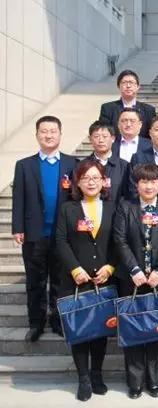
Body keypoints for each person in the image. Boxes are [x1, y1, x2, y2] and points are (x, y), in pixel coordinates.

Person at [12, 115, 79, 342]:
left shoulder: (72, 163)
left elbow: (77, 199)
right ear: (37, 135)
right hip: (34, 233)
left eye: (53, 131)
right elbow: (18, 198)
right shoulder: (24, 165)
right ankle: (36, 323)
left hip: (62, 236)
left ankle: (58, 321)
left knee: (61, 281)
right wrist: (18, 227)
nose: (48, 135)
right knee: (35, 281)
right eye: (44, 131)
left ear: (60, 134)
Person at [113, 164, 158, 399]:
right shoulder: (125, 207)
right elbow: (119, 240)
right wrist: (134, 269)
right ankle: (135, 381)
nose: (149, 186)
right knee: (133, 329)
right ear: (136, 184)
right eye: (144, 181)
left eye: (153, 181)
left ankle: (154, 380)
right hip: (133, 279)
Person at [55, 160, 116, 401]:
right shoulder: (67, 209)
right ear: (77, 183)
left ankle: (97, 374)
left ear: (104, 181)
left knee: (100, 331)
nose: (91, 182)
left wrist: (110, 267)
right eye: (85, 178)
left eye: (95, 177)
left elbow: (119, 240)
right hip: (77, 280)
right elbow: (60, 241)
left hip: (103, 279)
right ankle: (83, 379)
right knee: (80, 331)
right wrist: (75, 269)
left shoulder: (112, 207)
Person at [99, 69, 156, 139]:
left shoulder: (149, 110)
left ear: (138, 87)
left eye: (131, 82)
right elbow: (104, 133)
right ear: (119, 86)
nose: (128, 86)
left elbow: (151, 135)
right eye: (124, 82)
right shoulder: (108, 108)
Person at [83, 121, 129, 202]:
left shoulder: (125, 166)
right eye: (96, 136)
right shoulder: (82, 166)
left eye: (105, 136)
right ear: (90, 139)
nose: (101, 140)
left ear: (113, 138)